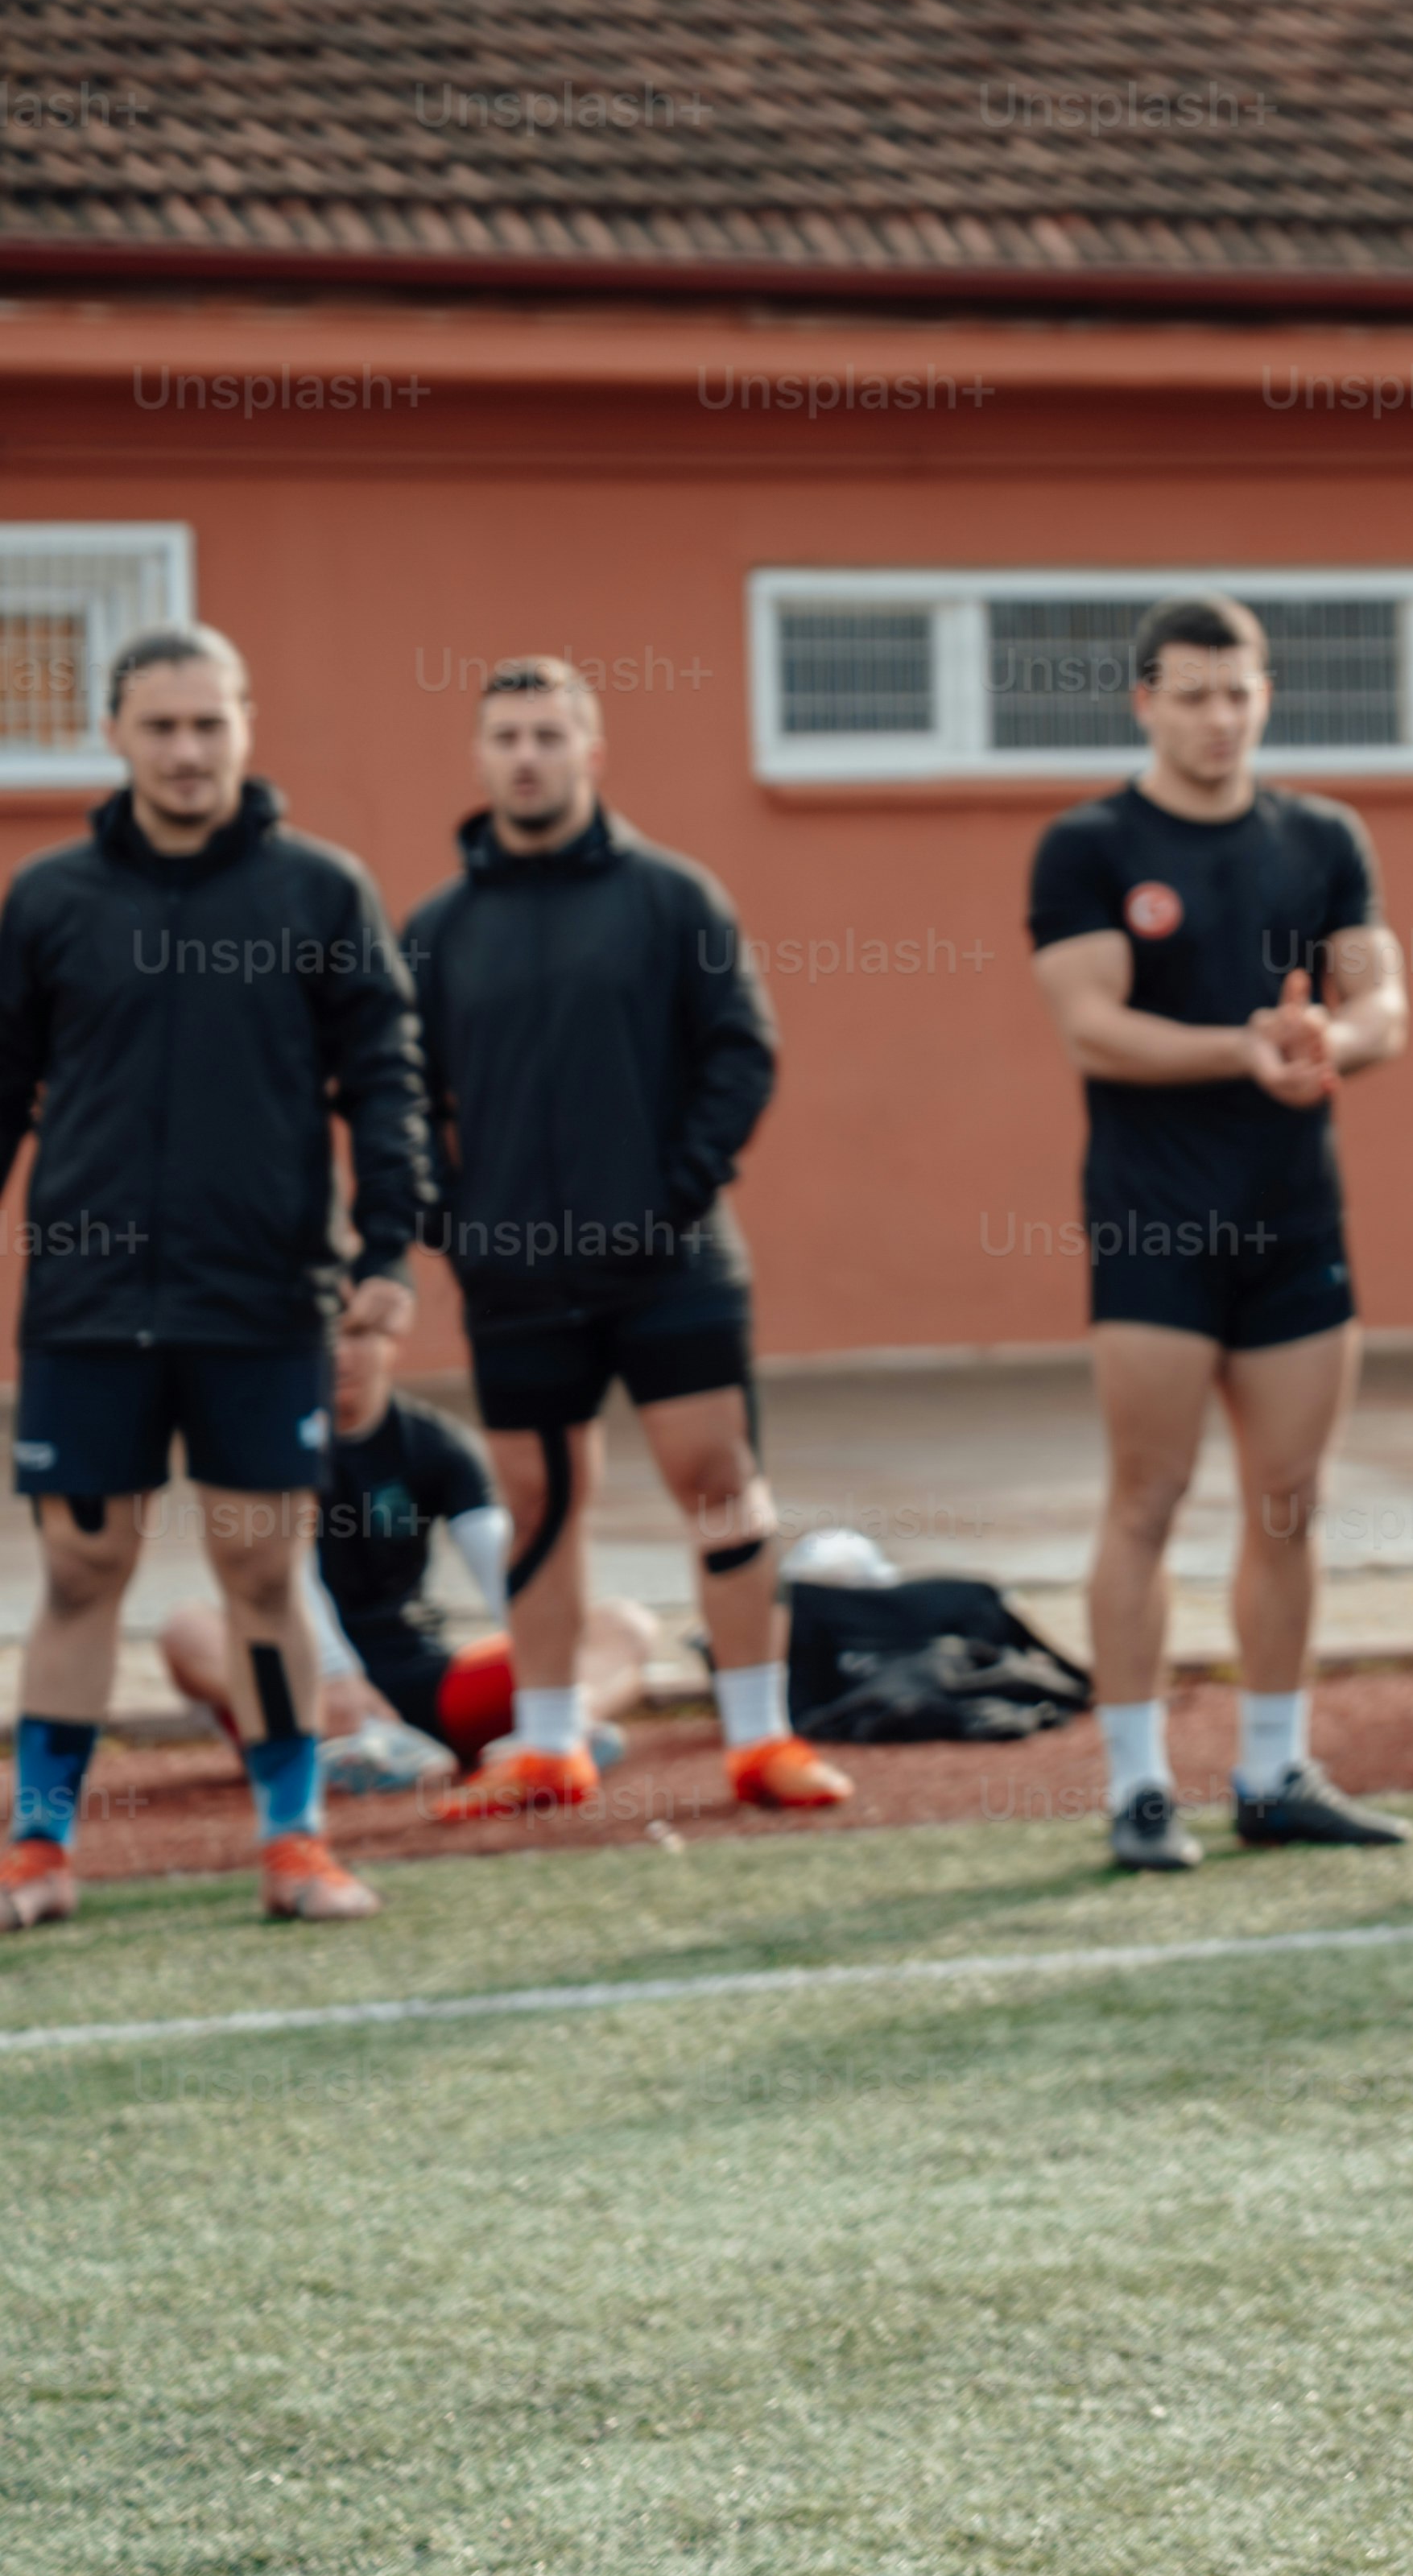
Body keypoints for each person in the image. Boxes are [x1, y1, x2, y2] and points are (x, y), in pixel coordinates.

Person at [0, 625, 426, 1930]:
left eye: (209, 724)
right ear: (118, 736)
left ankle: (294, 1840)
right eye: (160, 726)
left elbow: (388, 1080)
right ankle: (37, 1844)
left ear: (247, 725)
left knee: (259, 1572)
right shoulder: (49, 901)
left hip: (260, 1300)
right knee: (82, 1571)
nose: (187, 751)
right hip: (86, 1299)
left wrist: (390, 1254)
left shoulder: (319, 890)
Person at [402, 656, 849, 1825]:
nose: (527, 756)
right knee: (538, 1499)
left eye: (549, 734)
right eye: (506, 736)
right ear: (481, 757)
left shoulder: (673, 898)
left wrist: (672, 1197)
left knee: (721, 1488)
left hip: (672, 1263)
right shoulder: (440, 930)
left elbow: (741, 1053)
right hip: (514, 1275)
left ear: (591, 752)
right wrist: (455, 1223)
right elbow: (400, 1096)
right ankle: (547, 1747)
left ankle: (759, 1740)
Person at [1024, 592, 1413, 1876]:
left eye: (1238, 691)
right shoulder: (1087, 845)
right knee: (1146, 1498)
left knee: (1290, 1507)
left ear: (1265, 696)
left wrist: (1324, 1045)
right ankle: (1139, 1785)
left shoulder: (1322, 837)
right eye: (1190, 693)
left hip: (1296, 1223)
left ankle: (1271, 1768)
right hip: (1152, 1230)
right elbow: (1093, 1026)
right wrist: (1245, 1051)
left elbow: (1381, 1005)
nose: (1217, 716)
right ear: (1144, 702)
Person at [155, 1319, 655, 1797]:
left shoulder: (436, 1444)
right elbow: (288, 1579)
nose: (340, 1354)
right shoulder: (272, 1442)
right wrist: (337, 1683)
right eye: (325, 1335)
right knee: (187, 1629)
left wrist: (551, 1680)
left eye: (358, 1335)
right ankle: (346, 1739)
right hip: (312, 1684)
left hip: (426, 1680)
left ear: (393, 1341)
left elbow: (507, 1574)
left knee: (624, 1627)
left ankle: (558, 1733)